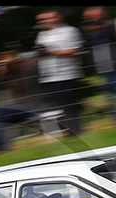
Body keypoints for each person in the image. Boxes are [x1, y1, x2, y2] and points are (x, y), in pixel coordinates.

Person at [34, 8, 85, 136]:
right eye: (41, 20)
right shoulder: (41, 35)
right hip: (47, 75)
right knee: (55, 105)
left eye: (47, 18)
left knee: (69, 105)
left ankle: (75, 131)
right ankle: (64, 129)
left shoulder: (70, 31)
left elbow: (74, 51)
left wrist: (51, 52)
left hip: (66, 74)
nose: (44, 22)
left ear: (58, 18)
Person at [82, 6, 116, 124]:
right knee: (110, 99)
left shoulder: (113, 26)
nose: (92, 20)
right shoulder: (89, 32)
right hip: (102, 71)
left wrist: (100, 25)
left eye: (95, 17)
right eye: (89, 18)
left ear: (105, 16)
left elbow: (114, 33)